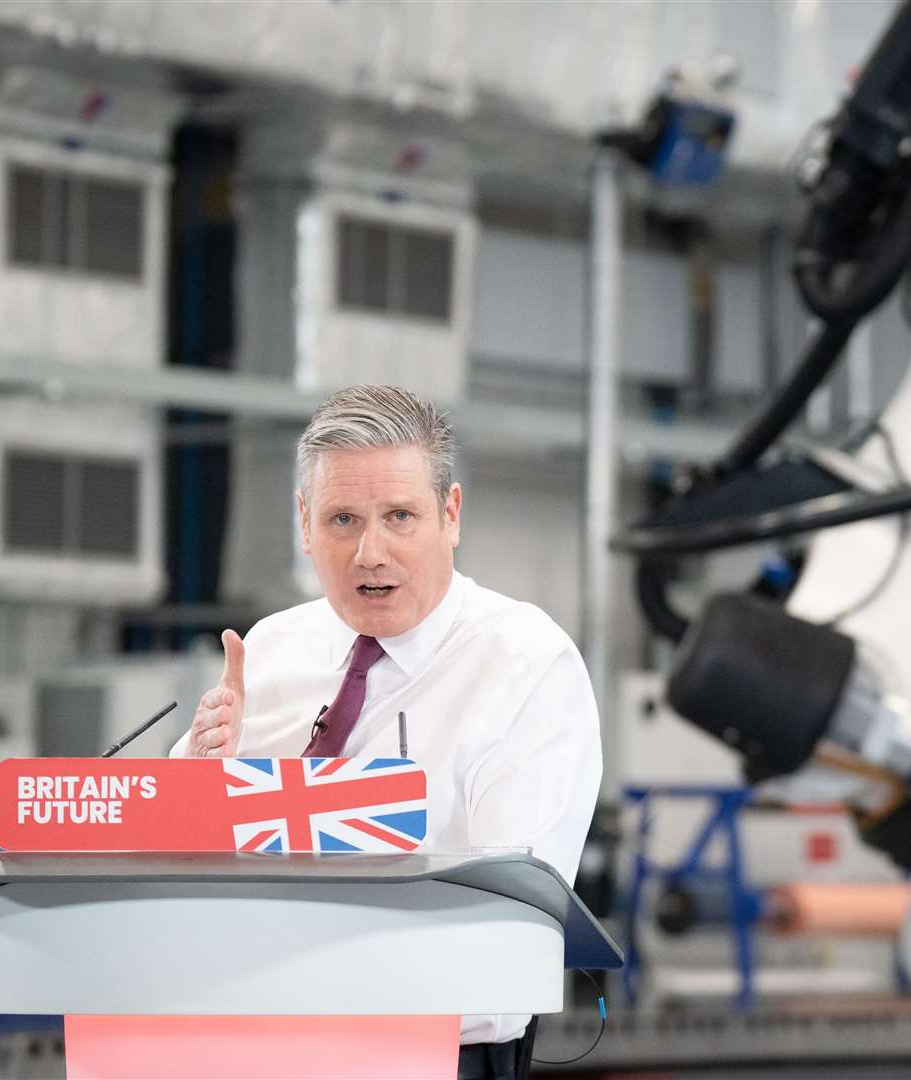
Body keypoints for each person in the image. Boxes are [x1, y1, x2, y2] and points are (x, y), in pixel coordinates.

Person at [172, 384, 603, 1080]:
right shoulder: (270, 648)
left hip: (430, 1055)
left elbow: (512, 923)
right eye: (343, 520)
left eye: (399, 516)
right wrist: (196, 771)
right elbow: (167, 857)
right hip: (242, 1045)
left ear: (451, 514)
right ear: (305, 522)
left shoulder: (527, 666)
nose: (370, 552)